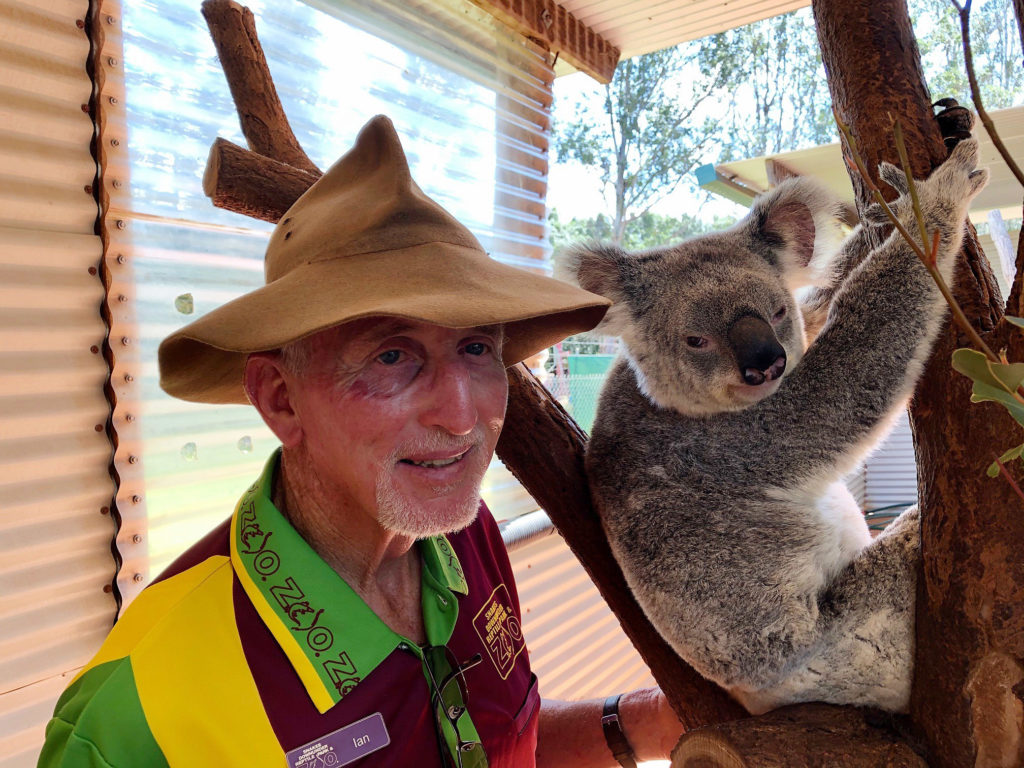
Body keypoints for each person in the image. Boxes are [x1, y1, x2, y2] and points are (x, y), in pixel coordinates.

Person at [38, 116, 684, 768]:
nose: (462, 417)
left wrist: (641, 726)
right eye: (392, 356)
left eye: (476, 347)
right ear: (281, 400)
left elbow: (488, 743)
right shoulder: (140, 708)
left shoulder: (466, 539)